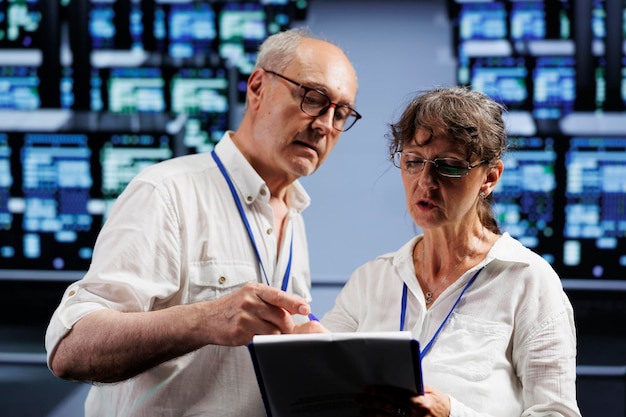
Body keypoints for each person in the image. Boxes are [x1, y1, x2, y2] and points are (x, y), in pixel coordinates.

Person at [44, 27, 358, 417]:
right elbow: (70, 349)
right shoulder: (167, 193)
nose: (326, 124)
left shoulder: (293, 215)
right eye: (313, 98)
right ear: (257, 87)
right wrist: (205, 319)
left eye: (341, 113)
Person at [320, 86, 582, 417]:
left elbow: (556, 413)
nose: (425, 181)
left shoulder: (528, 280)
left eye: (449, 165)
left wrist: (452, 414)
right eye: (413, 161)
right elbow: (319, 381)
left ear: (489, 177)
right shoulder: (373, 279)